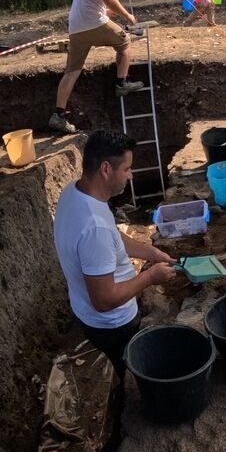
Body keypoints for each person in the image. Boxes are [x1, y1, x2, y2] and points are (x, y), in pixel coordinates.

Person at [53, 130, 176, 375]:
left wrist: (149, 252)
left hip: (84, 311)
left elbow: (112, 233)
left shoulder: (75, 192)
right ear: (106, 169)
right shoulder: (93, 229)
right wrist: (150, 277)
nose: (130, 176)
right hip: (113, 325)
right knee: (133, 372)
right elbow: (104, 300)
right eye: (127, 169)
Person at [49, 0, 142, 134]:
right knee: (124, 42)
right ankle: (121, 83)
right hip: (93, 24)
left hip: (76, 27)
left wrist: (109, 13)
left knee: (72, 71)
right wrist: (127, 16)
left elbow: (93, 2)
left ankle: (58, 115)